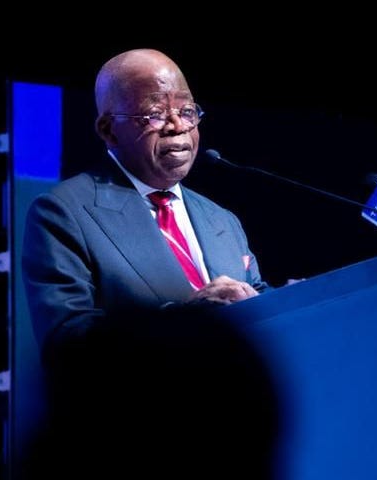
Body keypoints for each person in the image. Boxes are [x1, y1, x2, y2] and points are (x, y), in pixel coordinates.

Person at [22, 48, 269, 364]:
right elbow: (67, 343)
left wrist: (306, 300)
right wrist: (182, 318)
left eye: (187, 111)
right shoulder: (63, 213)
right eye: (155, 114)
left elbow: (264, 305)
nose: (177, 126)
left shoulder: (222, 220)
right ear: (109, 130)